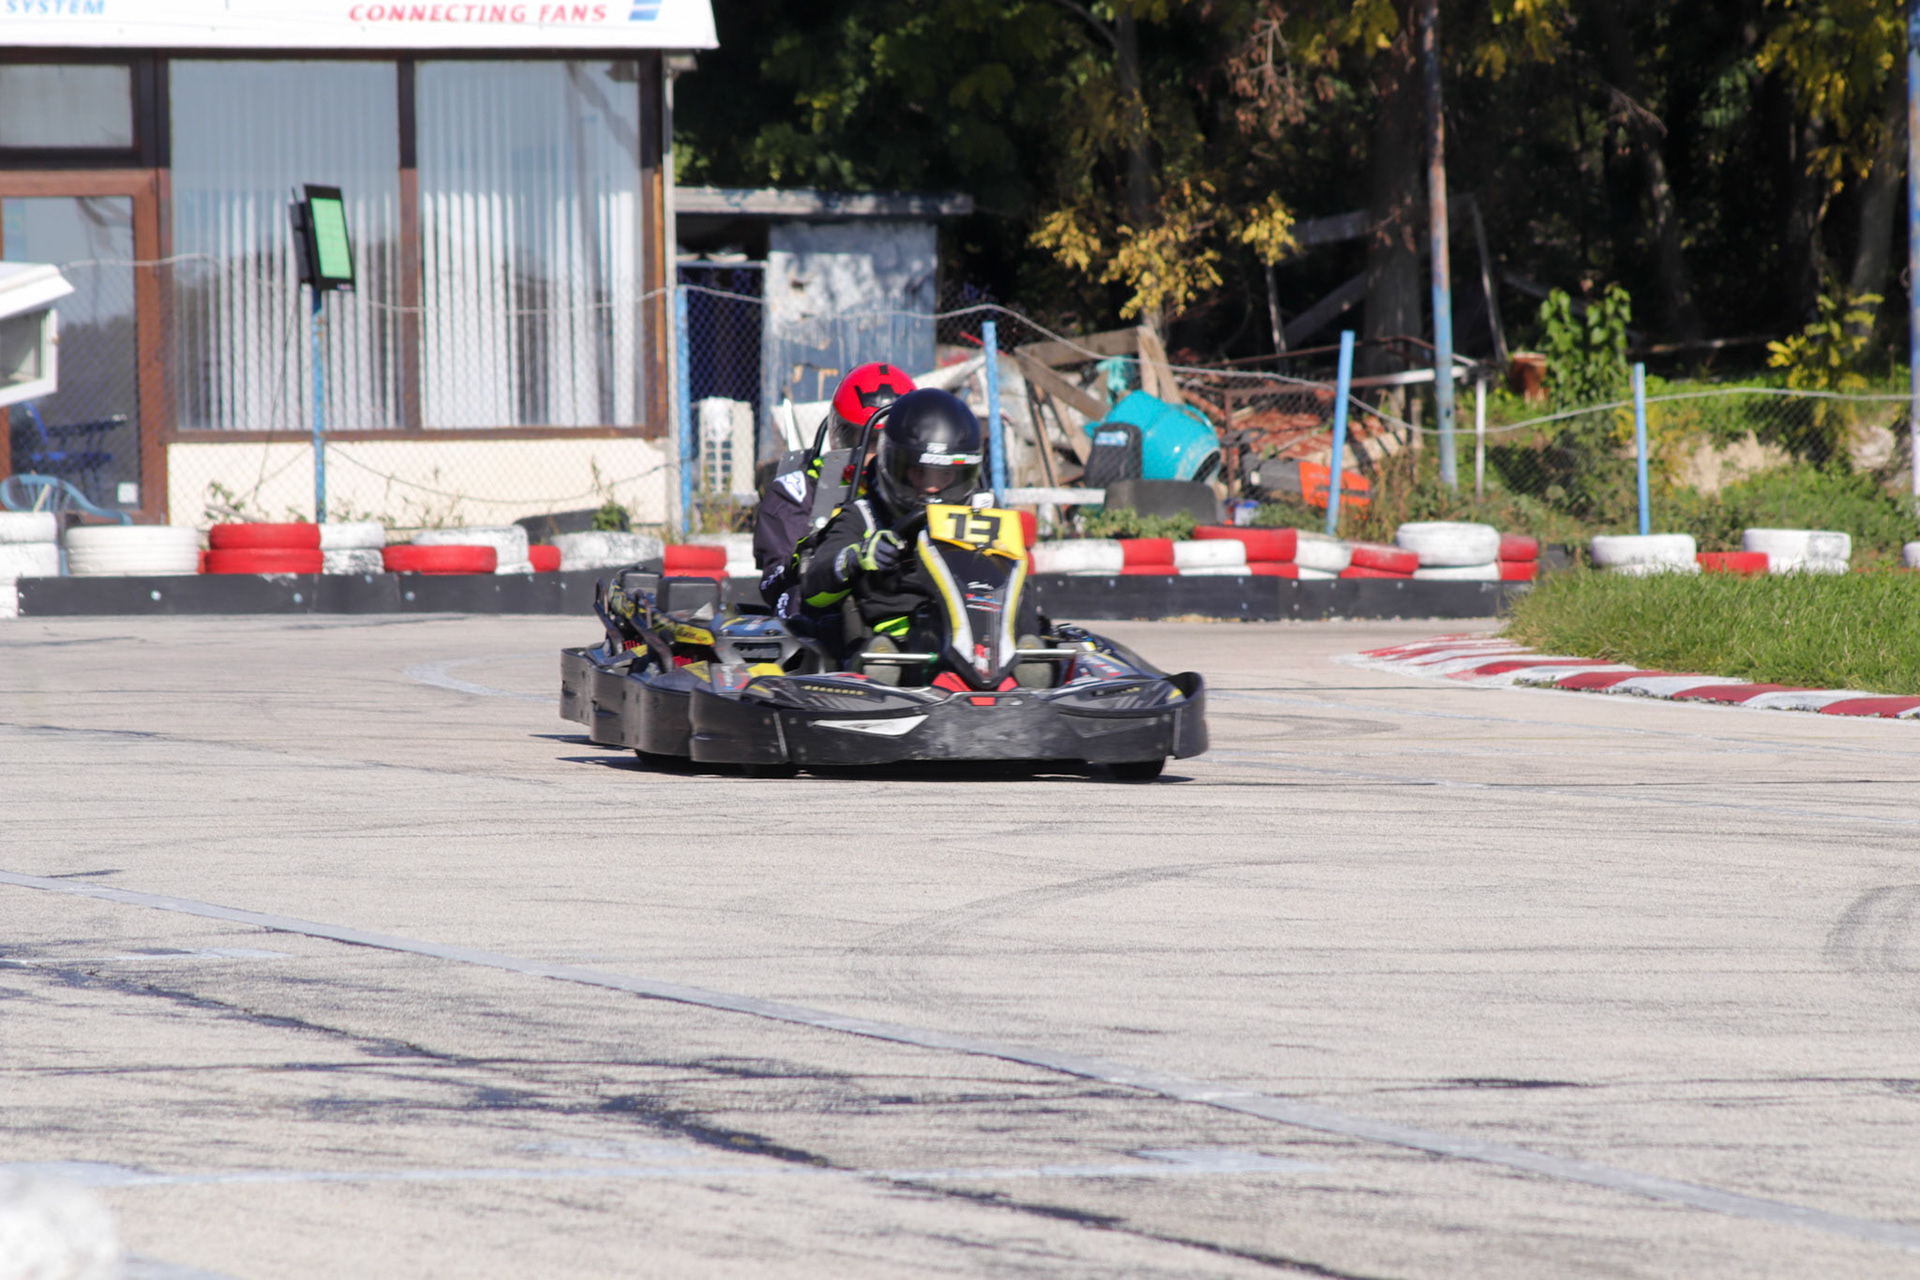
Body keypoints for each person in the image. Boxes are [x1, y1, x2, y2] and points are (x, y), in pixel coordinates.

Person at [794, 387, 984, 652]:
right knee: (889, 652)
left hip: (978, 636)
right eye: (919, 472)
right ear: (895, 466)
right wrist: (858, 556)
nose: (931, 487)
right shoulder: (865, 514)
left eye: (944, 475)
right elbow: (813, 589)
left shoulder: (981, 514)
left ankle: (1028, 653)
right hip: (894, 650)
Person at [753, 362, 916, 607]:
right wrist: (833, 556)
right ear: (843, 436)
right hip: (837, 615)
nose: (884, 456)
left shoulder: (927, 487)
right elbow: (776, 587)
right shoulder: (798, 491)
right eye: (873, 442)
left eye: (892, 443)